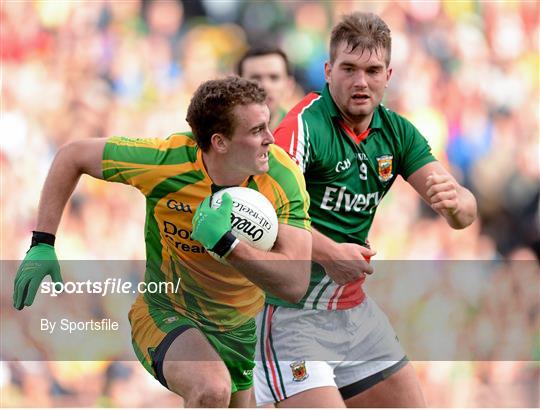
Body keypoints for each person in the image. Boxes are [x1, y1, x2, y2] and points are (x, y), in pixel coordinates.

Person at [12, 77, 312, 408]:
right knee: (211, 388)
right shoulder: (165, 162)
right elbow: (72, 155)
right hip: (166, 313)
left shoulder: (283, 177)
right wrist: (43, 242)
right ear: (220, 142)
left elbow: (295, 283)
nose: (270, 139)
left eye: (267, 126)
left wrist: (228, 246)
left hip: (240, 332)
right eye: (256, 131)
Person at [254, 12, 477, 408]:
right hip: (291, 314)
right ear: (327, 71)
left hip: (353, 311)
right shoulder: (304, 126)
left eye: (373, 70)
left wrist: (458, 204)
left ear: (388, 74)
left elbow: (463, 211)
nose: (361, 82)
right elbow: (265, 214)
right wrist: (329, 253)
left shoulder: (397, 132)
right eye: (349, 69)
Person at [236, 46, 294, 131]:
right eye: (255, 78)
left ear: (289, 86)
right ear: (237, 86)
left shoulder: (303, 133)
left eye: (274, 77)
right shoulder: (224, 132)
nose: (265, 86)